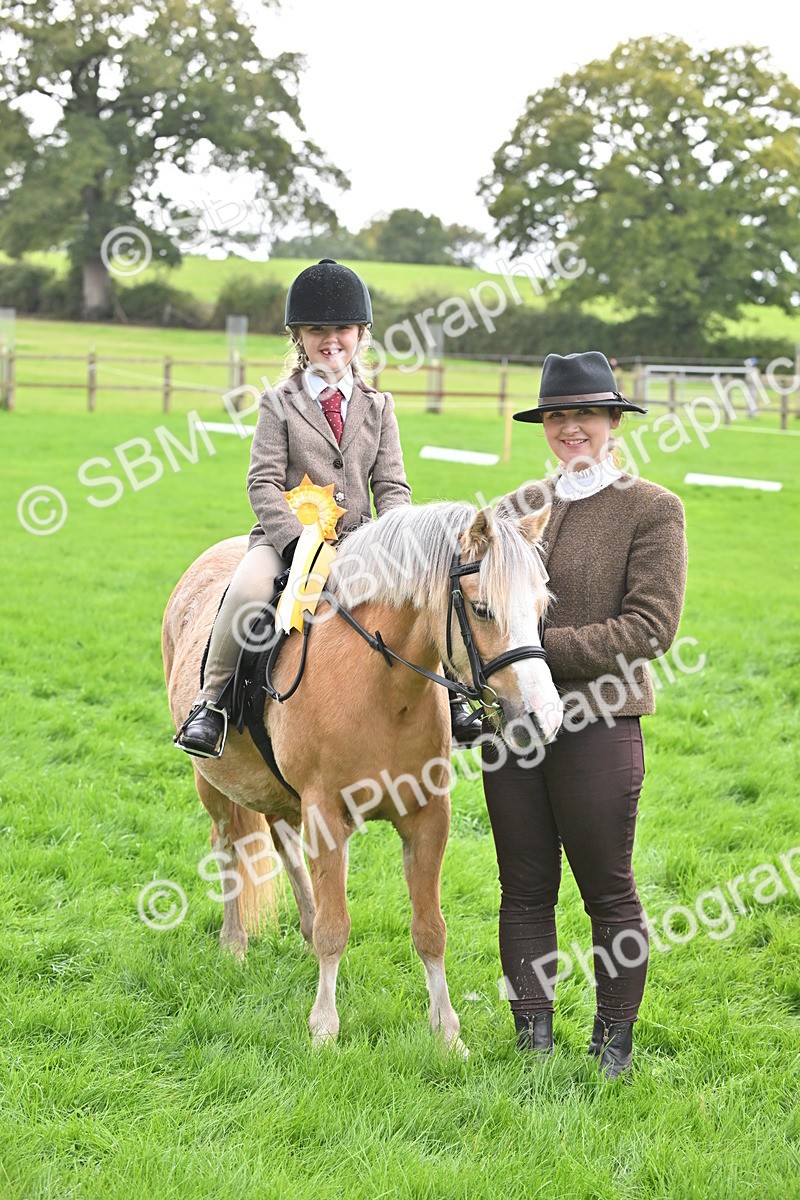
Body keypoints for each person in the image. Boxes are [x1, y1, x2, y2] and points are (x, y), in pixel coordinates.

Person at [483, 350, 687, 1078]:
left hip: (599, 719)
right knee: (524, 887)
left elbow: (650, 628)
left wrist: (536, 650)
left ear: (612, 422)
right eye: (558, 415)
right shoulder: (512, 509)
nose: (571, 427)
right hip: (513, 726)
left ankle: (613, 1044)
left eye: (586, 415)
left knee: (608, 889)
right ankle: (532, 1041)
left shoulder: (652, 508)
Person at [175, 258, 413, 757]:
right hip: (285, 544)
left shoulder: (379, 407)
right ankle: (211, 704)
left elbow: (391, 486)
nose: (331, 340)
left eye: (342, 329)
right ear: (298, 338)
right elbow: (261, 481)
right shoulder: (277, 403)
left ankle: (451, 703)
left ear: (361, 334)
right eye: (316, 330)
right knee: (247, 591)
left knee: (423, 596)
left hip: (360, 544)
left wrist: (395, 539)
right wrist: (295, 544)